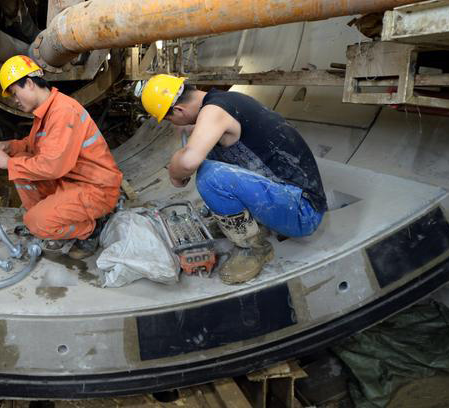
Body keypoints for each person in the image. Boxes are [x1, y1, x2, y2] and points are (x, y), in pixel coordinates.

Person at [140, 74, 327, 284]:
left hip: (302, 212)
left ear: (179, 110)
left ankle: (253, 248)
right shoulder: (224, 101)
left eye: (169, 120)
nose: (173, 125)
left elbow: (187, 163)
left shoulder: (214, 111)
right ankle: (244, 222)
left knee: (210, 176)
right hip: (289, 195)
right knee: (210, 151)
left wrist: (175, 172)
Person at [0, 55, 123, 258]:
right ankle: (48, 219)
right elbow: (33, 147)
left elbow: (52, 166)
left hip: (96, 190)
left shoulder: (63, 111)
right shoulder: (47, 111)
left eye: (14, 93)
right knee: (21, 161)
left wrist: (8, 163)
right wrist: (8, 146)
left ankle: (91, 228)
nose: (15, 101)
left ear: (29, 83)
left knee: (35, 221)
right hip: (72, 181)